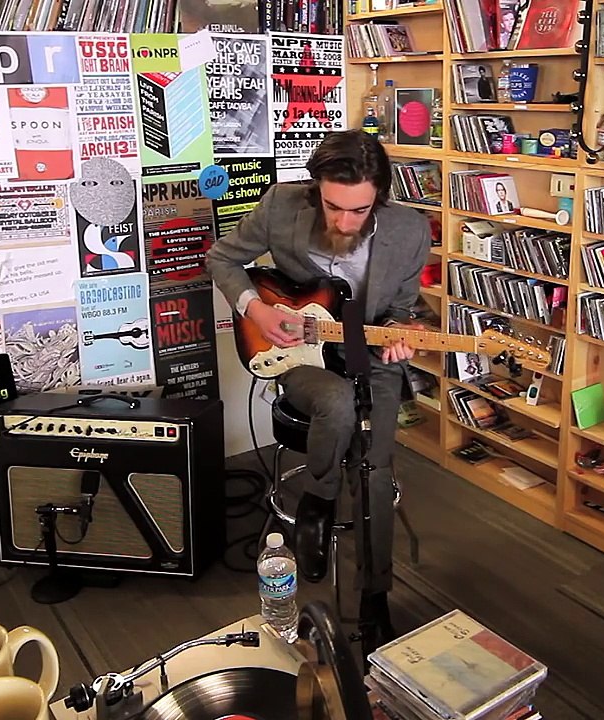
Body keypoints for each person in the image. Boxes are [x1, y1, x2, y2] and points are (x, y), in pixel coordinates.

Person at [207, 130, 431, 646]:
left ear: (380, 196)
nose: (345, 222)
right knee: (335, 401)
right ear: (315, 190)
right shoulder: (281, 205)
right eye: (334, 207)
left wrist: (405, 338)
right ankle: (319, 498)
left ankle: (375, 597)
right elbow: (223, 259)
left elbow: (402, 313)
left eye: (360, 211)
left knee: (376, 471)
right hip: (299, 348)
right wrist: (259, 310)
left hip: (365, 347)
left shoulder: (410, 230)